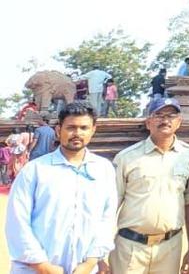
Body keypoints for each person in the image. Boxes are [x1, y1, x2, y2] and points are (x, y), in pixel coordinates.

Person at [5, 100, 117, 273]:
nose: (77, 133)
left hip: (83, 269)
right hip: (37, 269)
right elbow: (17, 222)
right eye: (71, 127)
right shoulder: (35, 170)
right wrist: (43, 266)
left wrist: (90, 262)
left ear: (93, 130)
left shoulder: (103, 169)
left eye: (84, 128)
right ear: (59, 130)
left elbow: (107, 219)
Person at [111, 95, 189, 274]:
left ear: (179, 122)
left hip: (170, 248)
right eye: (159, 115)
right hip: (130, 248)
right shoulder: (127, 158)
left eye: (171, 116)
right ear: (148, 122)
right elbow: (110, 206)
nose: (165, 120)